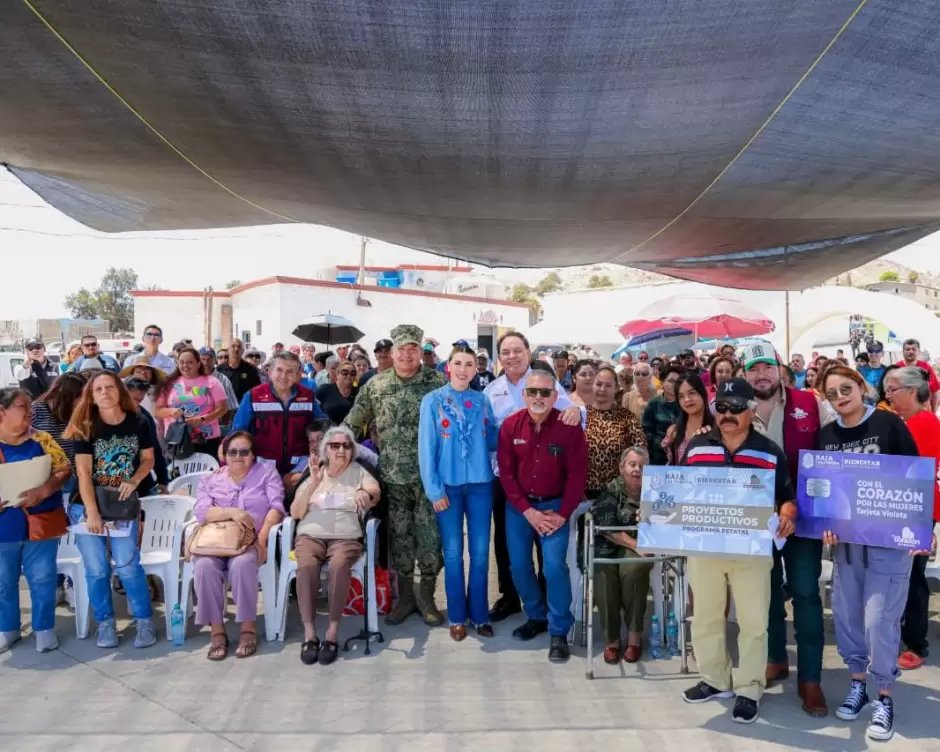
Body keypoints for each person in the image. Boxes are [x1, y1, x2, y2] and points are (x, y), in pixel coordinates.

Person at [680, 378, 796, 724]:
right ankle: (715, 680)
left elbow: (787, 497)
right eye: (722, 408)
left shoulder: (770, 450)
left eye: (736, 408)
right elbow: (680, 489)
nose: (727, 414)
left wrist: (788, 516)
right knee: (705, 617)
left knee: (754, 622)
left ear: (751, 410)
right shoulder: (697, 445)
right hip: (705, 546)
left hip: (751, 549)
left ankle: (748, 688)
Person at [817, 366, 920, 741]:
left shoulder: (890, 425)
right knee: (847, 616)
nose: (841, 396)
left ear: (861, 388)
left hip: (889, 541)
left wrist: (921, 529)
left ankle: (884, 695)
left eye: (847, 388)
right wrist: (823, 521)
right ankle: (858, 683)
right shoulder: (825, 436)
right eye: (832, 393)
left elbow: (915, 477)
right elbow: (822, 490)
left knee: (880, 619)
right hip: (847, 544)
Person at [741, 340, 830, 716]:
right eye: (754, 369)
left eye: (767, 367)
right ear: (745, 374)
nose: (761, 375)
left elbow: (836, 451)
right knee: (766, 592)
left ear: (779, 369)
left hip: (804, 518)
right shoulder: (736, 408)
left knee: (806, 595)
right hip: (757, 519)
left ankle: (810, 679)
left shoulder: (811, 403)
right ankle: (776, 657)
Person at [345, 324, 448, 625]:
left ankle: (427, 597)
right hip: (392, 478)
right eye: (401, 348)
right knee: (400, 539)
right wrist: (332, 452)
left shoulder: (437, 383)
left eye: (413, 348)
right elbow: (352, 422)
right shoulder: (376, 386)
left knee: (430, 540)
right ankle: (405, 598)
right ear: (391, 353)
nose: (406, 353)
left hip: (430, 480)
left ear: (421, 351)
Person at [483, 332, 579, 623]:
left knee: (548, 554)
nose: (512, 356)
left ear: (528, 352)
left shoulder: (543, 382)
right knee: (509, 546)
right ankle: (512, 597)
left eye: (517, 350)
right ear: (500, 357)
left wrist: (576, 408)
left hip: (549, 481)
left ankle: (550, 606)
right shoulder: (492, 390)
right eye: (506, 352)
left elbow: (573, 413)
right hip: (507, 477)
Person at [497, 370, 588, 663]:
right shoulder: (510, 426)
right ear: (524, 395)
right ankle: (536, 616)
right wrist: (529, 512)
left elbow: (577, 476)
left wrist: (562, 515)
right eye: (533, 392)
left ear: (554, 396)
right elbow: (506, 475)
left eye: (545, 393)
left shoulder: (569, 428)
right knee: (519, 566)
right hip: (520, 508)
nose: (539, 397)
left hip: (556, 508)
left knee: (553, 567)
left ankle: (559, 629)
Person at [63, 371, 157, 649]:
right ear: (91, 396)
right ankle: (105, 622)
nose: (105, 392)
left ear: (120, 391)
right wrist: (92, 512)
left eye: (110, 387)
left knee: (128, 566)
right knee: (96, 570)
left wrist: (135, 480)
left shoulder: (138, 422)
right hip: (87, 504)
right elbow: (83, 472)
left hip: (122, 505)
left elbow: (148, 459)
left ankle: (143, 621)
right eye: (98, 389)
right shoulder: (85, 424)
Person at [418, 344, 498, 641]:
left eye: (469, 364)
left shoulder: (483, 400)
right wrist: (434, 489)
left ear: (476, 369)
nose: (463, 369)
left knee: (479, 553)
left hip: (480, 485)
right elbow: (427, 449)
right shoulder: (432, 401)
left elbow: (493, 440)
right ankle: (456, 615)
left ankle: (479, 614)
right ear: (448, 366)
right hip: (447, 487)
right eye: (458, 363)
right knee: (452, 553)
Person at [290, 426, 379, 664]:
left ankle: (331, 632)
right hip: (310, 535)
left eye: (346, 445)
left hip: (345, 537)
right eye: (335, 445)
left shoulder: (359, 471)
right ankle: (310, 633)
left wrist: (366, 495)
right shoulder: (314, 472)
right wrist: (312, 484)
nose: (341, 450)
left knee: (340, 566)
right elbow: (296, 512)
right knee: (306, 566)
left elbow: (375, 491)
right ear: (325, 450)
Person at [193, 431, 284, 660]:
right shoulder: (211, 479)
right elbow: (202, 512)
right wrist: (231, 512)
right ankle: (217, 632)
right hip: (216, 541)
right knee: (204, 567)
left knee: (242, 565)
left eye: (244, 452)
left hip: (250, 541)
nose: (238, 456)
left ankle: (247, 629)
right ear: (224, 454)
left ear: (253, 455)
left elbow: (276, 507)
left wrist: (262, 538)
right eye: (232, 451)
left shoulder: (266, 474)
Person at [0, 388, 72, 654]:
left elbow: (64, 469)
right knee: (3, 581)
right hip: (4, 525)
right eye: (22, 406)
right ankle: (8, 629)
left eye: (30, 406)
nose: (30, 411)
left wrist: (44, 489)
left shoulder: (42, 439)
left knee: (42, 578)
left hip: (41, 520)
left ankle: (44, 628)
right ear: (2, 411)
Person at [883, 366, 939, 672]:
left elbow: (917, 470)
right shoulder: (900, 421)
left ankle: (917, 644)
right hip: (897, 506)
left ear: (912, 391)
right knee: (900, 575)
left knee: (913, 577)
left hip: (917, 509)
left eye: (893, 389)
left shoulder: (926, 422)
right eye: (887, 389)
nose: (888, 394)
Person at [590, 446, 653, 664]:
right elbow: (607, 526)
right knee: (604, 570)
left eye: (642, 466)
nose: (637, 470)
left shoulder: (655, 493)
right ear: (621, 468)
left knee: (634, 568)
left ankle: (634, 637)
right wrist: (634, 543)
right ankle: (612, 640)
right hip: (609, 543)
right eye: (632, 464)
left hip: (640, 548)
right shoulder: (611, 490)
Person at [232, 352, 326, 474]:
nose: (284, 376)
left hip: (299, 468)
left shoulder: (308, 396)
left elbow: (324, 426)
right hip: (261, 469)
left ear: (298, 374)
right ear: (270, 371)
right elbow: (237, 432)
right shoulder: (254, 396)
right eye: (279, 370)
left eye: (290, 371)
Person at [154, 347, 230, 460]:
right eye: (182, 362)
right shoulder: (168, 383)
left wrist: (202, 420)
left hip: (206, 440)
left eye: (190, 362)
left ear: (198, 363)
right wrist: (172, 411)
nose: (185, 365)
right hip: (177, 440)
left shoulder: (212, 382)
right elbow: (157, 411)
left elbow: (222, 408)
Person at [585, 366, 646, 497]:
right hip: (583, 493)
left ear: (616, 388)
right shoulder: (582, 415)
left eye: (608, 385)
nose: (602, 389)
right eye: (599, 384)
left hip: (618, 494)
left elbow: (641, 452)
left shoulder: (627, 417)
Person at [31, 372, 87, 490]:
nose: (82, 401)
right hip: (42, 476)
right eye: (79, 396)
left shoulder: (79, 414)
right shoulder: (36, 410)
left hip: (71, 477)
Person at [123, 377, 170, 494]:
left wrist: (163, 480)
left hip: (140, 481)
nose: (135, 404)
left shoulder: (144, 418)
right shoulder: (105, 414)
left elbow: (155, 450)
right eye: (132, 399)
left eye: (139, 400)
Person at [665, 373, 714, 465]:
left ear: (702, 393)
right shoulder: (673, 432)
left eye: (692, 393)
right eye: (681, 396)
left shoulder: (717, 428)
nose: (687, 399)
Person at [641, 364, 681, 465]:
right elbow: (646, 431)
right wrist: (662, 444)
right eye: (671, 381)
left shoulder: (685, 404)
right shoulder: (654, 404)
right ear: (662, 383)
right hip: (658, 458)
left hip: (681, 457)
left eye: (678, 382)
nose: (675, 385)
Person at [897, 338, 940, 411]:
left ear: (918, 352)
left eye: (914, 349)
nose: (910, 351)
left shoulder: (927, 367)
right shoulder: (896, 368)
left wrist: (934, 412)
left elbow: (934, 391)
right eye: (908, 349)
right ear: (903, 352)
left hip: (924, 411)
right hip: (904, 411)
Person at [218, 339, 262, 403]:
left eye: (239, 347)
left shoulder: (251, 370)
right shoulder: (219, 370)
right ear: (228, 350)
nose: (236, 349)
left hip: (244, 408)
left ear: (242, 351)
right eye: (233, 346)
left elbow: (257, 390)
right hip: (225, 409)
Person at [199, 347, 240, 416]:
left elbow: (232, 407)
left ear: (215, 361)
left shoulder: (223, 380)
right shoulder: (194, 378)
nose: (205, 363)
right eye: (203, 359)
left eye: (209, 359)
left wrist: (222, 425)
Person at [316, 360, 358, 425]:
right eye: (345, 373)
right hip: (329, 431)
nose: (349, 376)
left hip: (353, 432)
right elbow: (314, 407)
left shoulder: (360, 392)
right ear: (337, 375)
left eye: (352, 373)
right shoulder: (325, 389)